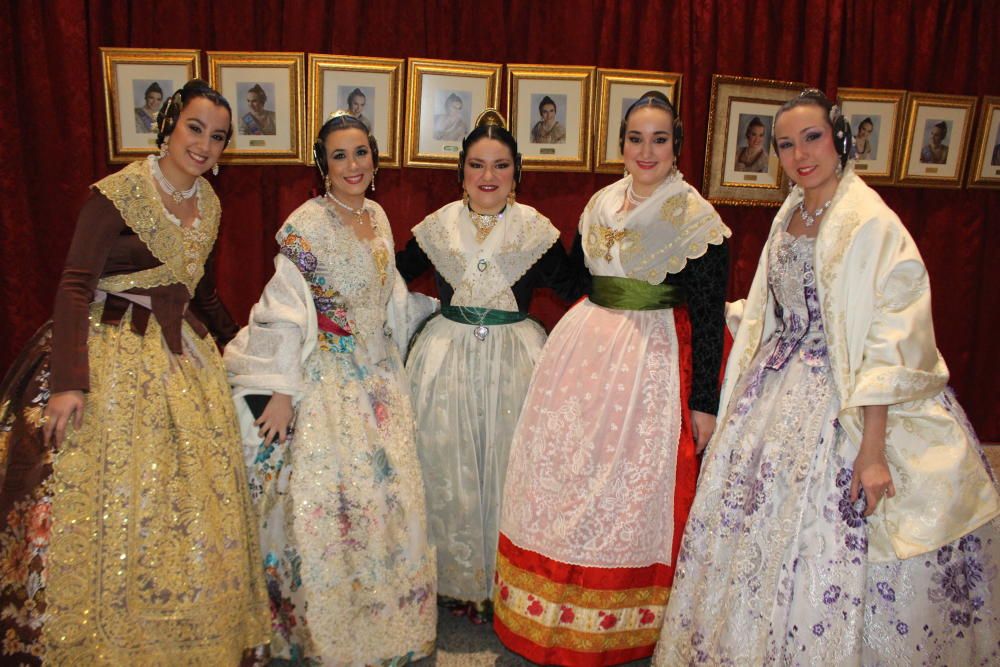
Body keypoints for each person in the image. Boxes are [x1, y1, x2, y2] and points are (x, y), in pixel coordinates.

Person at [653, 89, 999, 666]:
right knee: (752, 527)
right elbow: (774, 306)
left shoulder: (870, 222)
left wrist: (872, 450)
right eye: (786, 145)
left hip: (846, 397)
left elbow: (888, 340)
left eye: (810, 138)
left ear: (838, 138)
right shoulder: (792, 210)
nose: (798, 154)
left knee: (834, 538)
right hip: (776, 388)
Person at [0, 79, 269, 665]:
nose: (204, 144)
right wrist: (71, 380)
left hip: (183, 357)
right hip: (107, 346)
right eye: (195, 128)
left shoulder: (211, 204)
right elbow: (74, 284)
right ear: (170, 125)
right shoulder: (117, 193)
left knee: (193, 499)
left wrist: (243, 343)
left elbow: (202, 290)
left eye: (217, 136)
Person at [494, 91, 731, 666]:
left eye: (659, 139)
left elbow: (707, 315)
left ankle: (616, 624)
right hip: (582, 355)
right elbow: (579, 278)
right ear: (620, 144)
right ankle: (547, 609)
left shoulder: (695, 217)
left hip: (648, 360)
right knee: (568, 473)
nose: (645, 151)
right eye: (635, 138)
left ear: (677, 148)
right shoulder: (602, 201)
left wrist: (703, 402)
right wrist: (526, 237)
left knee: (625, 487)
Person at [224, 111, 438, 664]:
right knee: (337, 505)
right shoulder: (305, 227)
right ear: (322, 165)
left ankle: (389, 624)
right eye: (340, 155)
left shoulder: (379, 216)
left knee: (390, 503)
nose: (353, 165)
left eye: (361, 153)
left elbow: (387, 296)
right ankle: (331, 633)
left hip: (380, 379)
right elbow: (285, 309)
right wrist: (279, 389)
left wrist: (435, 320)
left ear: (375, 160)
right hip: (330, 378)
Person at [396, 109, 582, 624]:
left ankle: (508, 578)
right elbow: (392, 271)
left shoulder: (534, 230)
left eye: (500, 166)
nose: (488, 177)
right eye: (477, 165)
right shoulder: (437, 226)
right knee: (445, 462)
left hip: (515, 362)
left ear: (517, 173)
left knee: (510, 465)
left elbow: (575, 287)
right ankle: (454, 580)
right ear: (461, 172)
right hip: (444, 360)